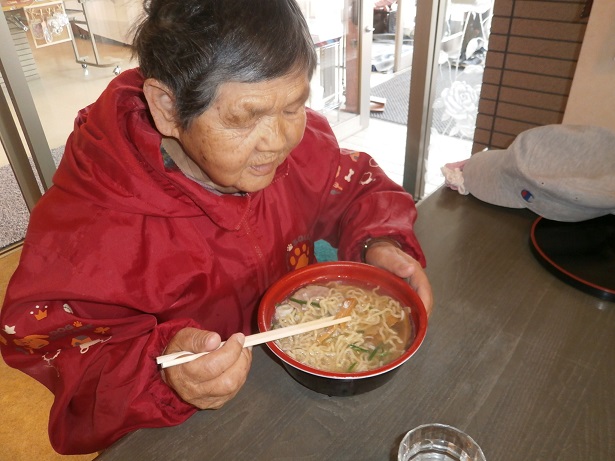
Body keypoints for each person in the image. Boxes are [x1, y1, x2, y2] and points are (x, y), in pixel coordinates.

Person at [0, 0, 433, 455]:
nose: (280, 139)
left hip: (283, 397)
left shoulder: (295, 147)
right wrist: (163, 368)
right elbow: (61, 348)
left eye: (294, 106)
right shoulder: (94, 225)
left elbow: (355, 188)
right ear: (167, 107)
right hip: (185, 431)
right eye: (245, 118)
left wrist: (380, 242)